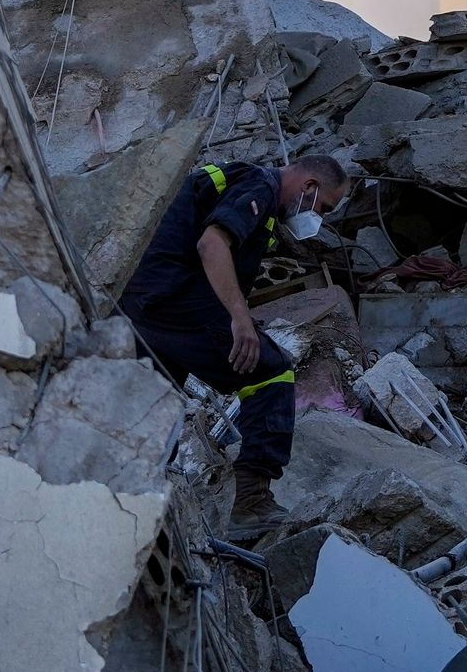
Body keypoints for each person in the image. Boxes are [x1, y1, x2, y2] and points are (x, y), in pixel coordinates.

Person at [116, 155, 350, 534]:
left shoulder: (251, 189)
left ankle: (134, 503)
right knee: (271, 370)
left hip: (144, 305)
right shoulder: (260, 185)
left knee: (156, 404)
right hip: (176, 298)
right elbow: (212, 245)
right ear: (309, 186)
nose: (318, 216)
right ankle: (252, 505)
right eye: (324, 206)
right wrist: (240, 320)